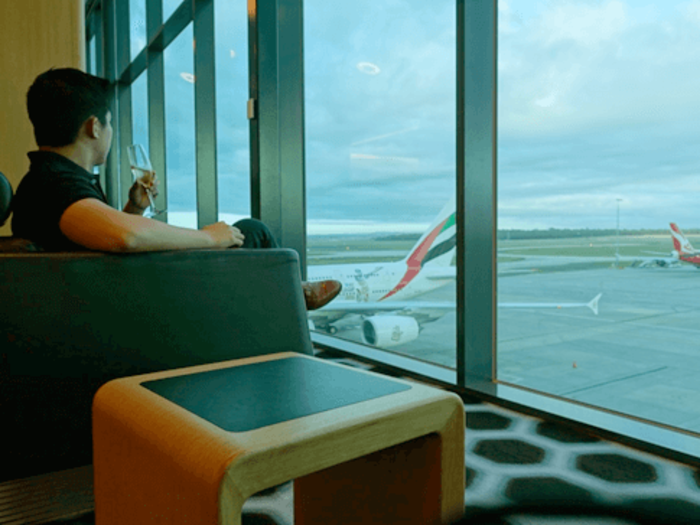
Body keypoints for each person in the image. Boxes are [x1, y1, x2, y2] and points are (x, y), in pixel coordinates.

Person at [11, 68, 341, 310]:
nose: (110, 131)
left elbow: (94, 243)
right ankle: (291, 301)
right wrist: (211, 238)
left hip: (111, 292)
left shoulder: (50, 181)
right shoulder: (53, 185)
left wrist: (134, 209)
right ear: (94, 127)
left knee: (247, 233)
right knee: (251, 233)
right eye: (109, 122)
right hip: (133, 303)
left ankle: (291, 295)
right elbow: (126, 237)